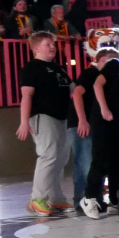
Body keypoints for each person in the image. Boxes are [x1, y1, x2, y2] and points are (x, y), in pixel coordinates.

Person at [16, 31, 73, 215]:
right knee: (48, 155)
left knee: (61, 157)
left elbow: (74, 89)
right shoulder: (32, 67)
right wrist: (24, 122)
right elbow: (26, 95)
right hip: (43, 115)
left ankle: (56, 198)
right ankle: (36, 199)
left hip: (62, 116)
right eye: (48, 44)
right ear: (36, 48)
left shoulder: (58, 68)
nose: (52, 47)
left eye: (53, 44)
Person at [74, 31, 119, 218]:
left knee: (117, 161)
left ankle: (114, 198)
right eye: (108, 60)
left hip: (114, 122)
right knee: (97, 161)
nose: (112, 64)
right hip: (96, 122)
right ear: (99, 61)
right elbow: (78, 94)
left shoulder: (118, 75)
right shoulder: (91, 73)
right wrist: (82, 119)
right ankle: (88, 198)